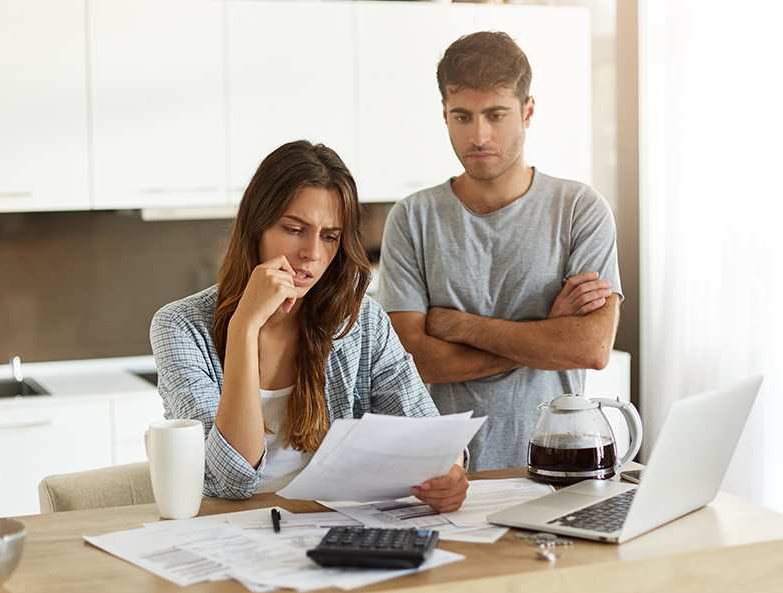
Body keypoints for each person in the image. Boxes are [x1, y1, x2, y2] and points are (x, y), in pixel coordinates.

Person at [150, 140, 468, 512]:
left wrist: (449, 472)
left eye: (330, 236)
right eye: (295, 229)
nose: (313, 254)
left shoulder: (362, 321)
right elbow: (230, 479)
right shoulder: (180, 327)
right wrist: (244, 328)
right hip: (228, 530)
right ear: (257, 226)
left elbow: (426, 434)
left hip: (333, 528)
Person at [377, 32, 623, 471]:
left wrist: (460, 326)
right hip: (445, 474)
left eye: (496, 114)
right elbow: (414, 360)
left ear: (527, 112)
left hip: (559, 465)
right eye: (462, 116)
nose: (479, 135)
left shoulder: (580, 209)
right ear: (444, 115)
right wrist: (546, 333)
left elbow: (591, 346)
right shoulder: (412, 217)